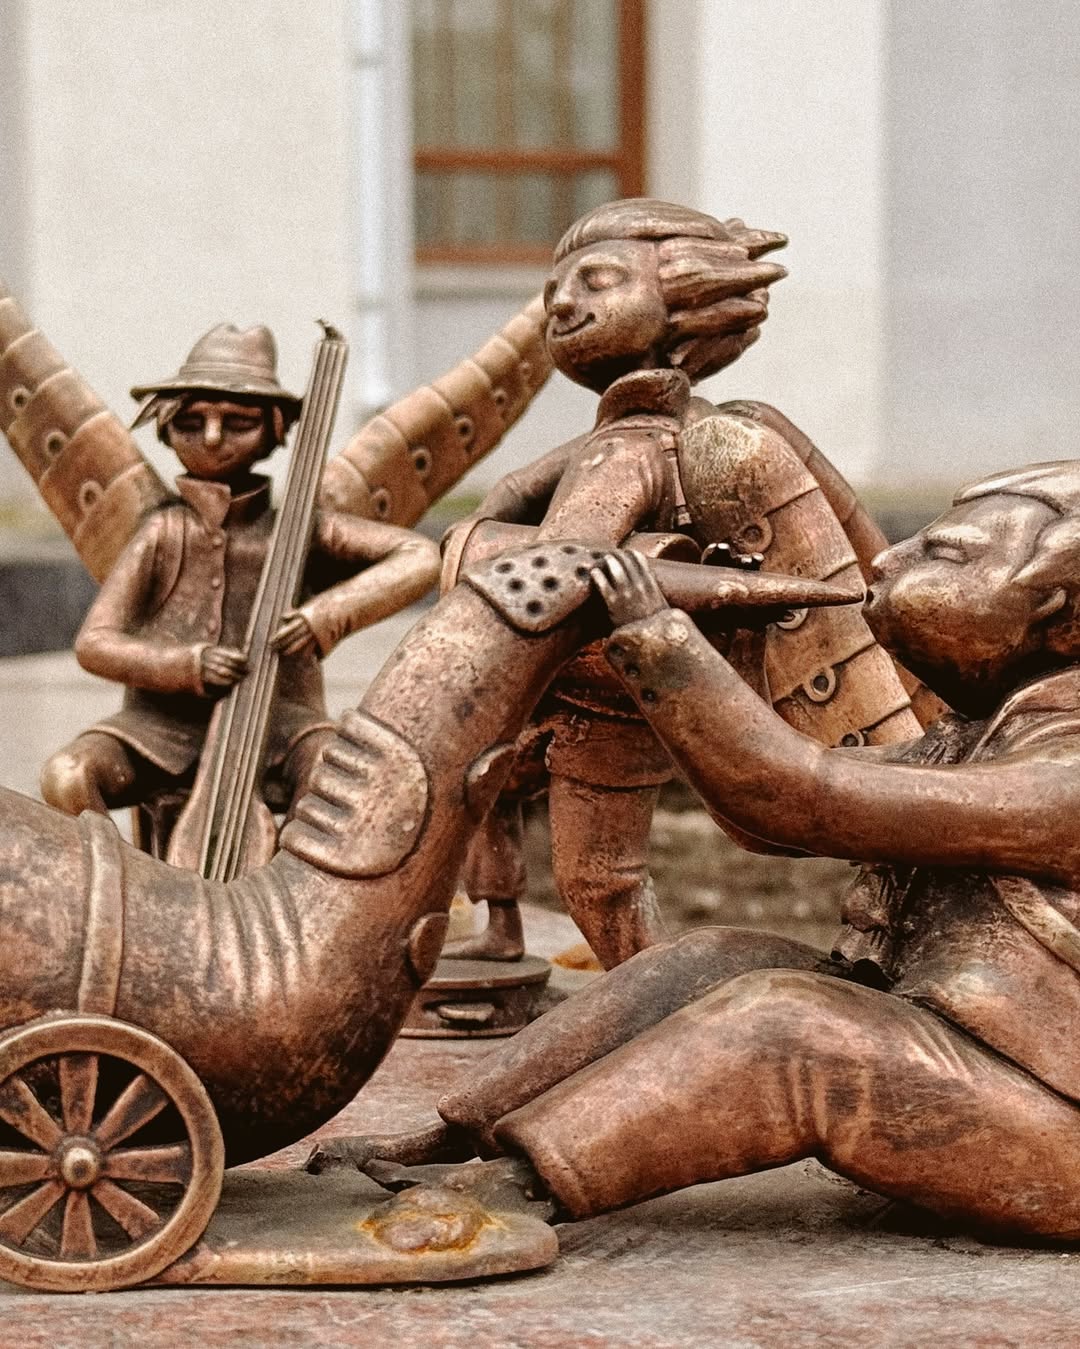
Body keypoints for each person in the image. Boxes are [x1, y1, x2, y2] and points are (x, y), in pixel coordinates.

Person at [409, 460, 1080, 1240]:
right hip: (977, 1060)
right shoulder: (987, 734)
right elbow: (763, 822)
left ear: (1063, 617)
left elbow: (807, 798)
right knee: (711, 960)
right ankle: (461, 1132)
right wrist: (720, 663)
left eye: (946, 554)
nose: (888, 560)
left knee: (794, 1025)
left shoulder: (1065, 773)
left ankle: (514, 1188)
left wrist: (661, 642)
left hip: (1054, 1130)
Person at [446, 198, 919, 967]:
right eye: (554, 290)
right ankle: (576, 958)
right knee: (581, 864)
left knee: (594, 876)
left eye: (598, 281)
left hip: (614, 685)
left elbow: (562, 561)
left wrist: (477, 544)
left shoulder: (629, 445)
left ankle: (647, 989)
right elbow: (513, 500)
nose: (563, 302)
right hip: (630, 676)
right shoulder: (657, 430)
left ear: (682, 300)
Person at [40, 323, 439, 837]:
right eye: (191, 423)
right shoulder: (163, 532)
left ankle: (296, 882)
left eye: (238, 423)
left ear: (274, 430)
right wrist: (186, 664)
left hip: (281, 726)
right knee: (67, 777)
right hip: (158, 730)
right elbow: (95, 644)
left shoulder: (299, 530)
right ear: (165, 427)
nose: (212, 438)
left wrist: (327, 616)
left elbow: (419, 556)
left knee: (334, 779)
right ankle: (119, 880)